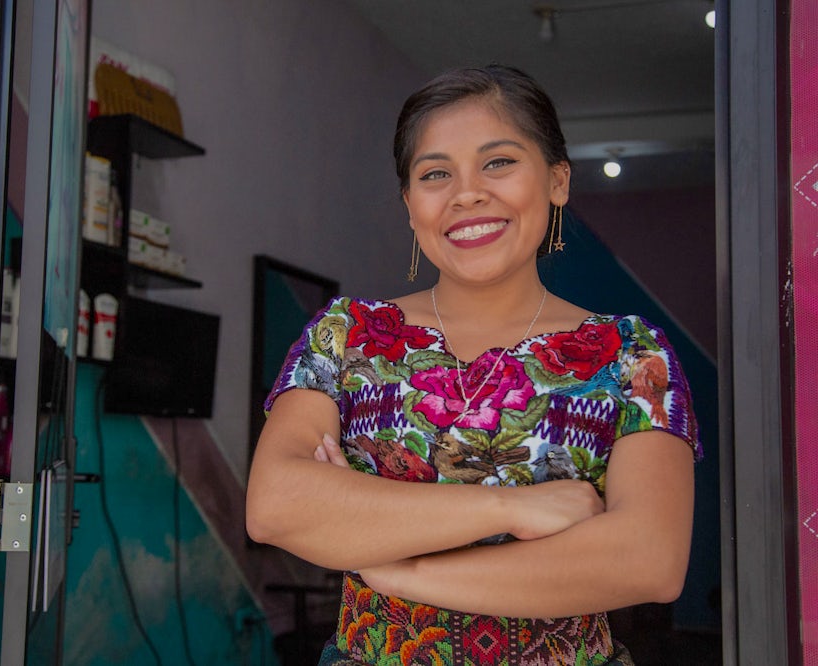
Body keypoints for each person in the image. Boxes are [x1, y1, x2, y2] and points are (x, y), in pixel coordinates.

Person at [245, 64, 701, 665]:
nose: (467, 193)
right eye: (436, 174)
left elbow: (648, 562)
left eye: (499, 162)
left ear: (558, 180)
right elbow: (276, 507)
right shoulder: (347, 336)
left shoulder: (633, 357)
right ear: (411, 205)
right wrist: (511, 507)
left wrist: (398, 568)